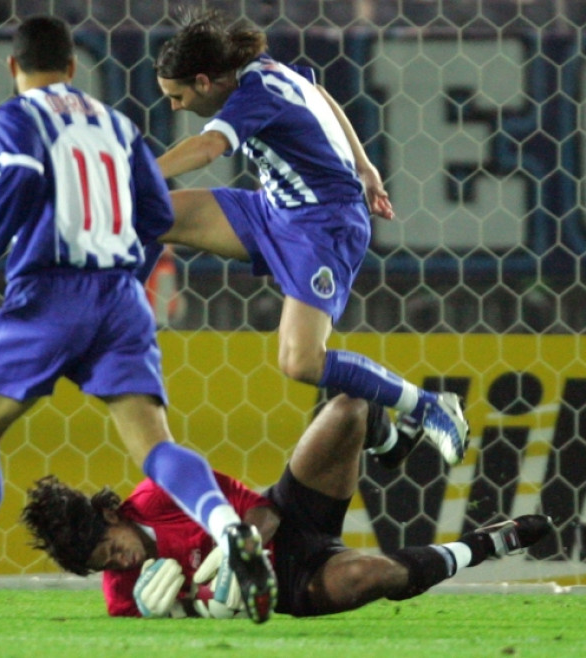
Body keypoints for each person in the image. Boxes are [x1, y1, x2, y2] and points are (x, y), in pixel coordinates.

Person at [0, 15, 276, 633]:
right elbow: (158, 210)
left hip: (47, 294)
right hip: (118, 297)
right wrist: (126, 271)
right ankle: (227, 528)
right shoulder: (116, 124)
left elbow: (21, 182)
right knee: (154, 446)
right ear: (75, 68)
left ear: (12, 69)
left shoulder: (15, 118)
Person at [147, 11, 470, 467]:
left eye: (177, 96)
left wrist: (135, 174)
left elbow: (205, 149)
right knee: (148, 213)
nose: (175, 106)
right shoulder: (258, 71)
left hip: (324, 226)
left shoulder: (252, 94)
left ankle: (428, 405)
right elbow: (319, 94)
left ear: (203, 81)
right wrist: (364, 164)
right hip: (271, 210)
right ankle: (121, 322)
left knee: (301, 362)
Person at [22, 394, 554, 619]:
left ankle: (389, 440)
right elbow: (157, 622)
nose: (114, 565)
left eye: (107, 549)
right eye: (99, 566)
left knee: (347, 406)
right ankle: (486, 542)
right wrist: (191, 607)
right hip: (295, 582)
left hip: (289, 520)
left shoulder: (163, 494)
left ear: (112, 516)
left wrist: (239, 552)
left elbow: (263, 511)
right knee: (375, 574)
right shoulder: (125, 596)